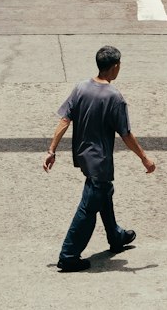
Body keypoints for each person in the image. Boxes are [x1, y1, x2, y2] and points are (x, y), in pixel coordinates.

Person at [43, 44, 156, 273]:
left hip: (84, 157)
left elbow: (65, 120)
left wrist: (51, 150)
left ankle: (116, 237)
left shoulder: (81, 88)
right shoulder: (115, 98)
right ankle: (68, 255)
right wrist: (144, 158)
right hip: (100, 162)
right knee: (88, 208)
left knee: (104, 194)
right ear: (115, 67)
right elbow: (125, 134)